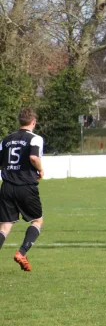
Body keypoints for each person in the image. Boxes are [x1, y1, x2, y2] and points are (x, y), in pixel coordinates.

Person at [0, 108, 45, 271]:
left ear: (20, 121)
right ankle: (22, 252)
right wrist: (40, 169)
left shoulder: (6, 140)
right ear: (33, 122)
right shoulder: (35, 139)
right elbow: (33, 157)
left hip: (6, 187)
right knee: (37, 220)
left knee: (4, 227)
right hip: (25, 186)